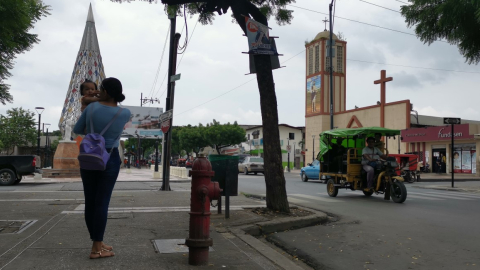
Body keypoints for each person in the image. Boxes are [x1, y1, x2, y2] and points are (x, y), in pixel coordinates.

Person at [73, 77, 130, 259]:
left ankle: (97, 241)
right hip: (109, 157)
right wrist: (103, 96)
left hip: (89, 155)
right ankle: (96, 248)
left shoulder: (91, 108)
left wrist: (92, 99)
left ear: (104, 91)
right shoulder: (124, 113)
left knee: (90, 200)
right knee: (102, 201)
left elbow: (78, 129)